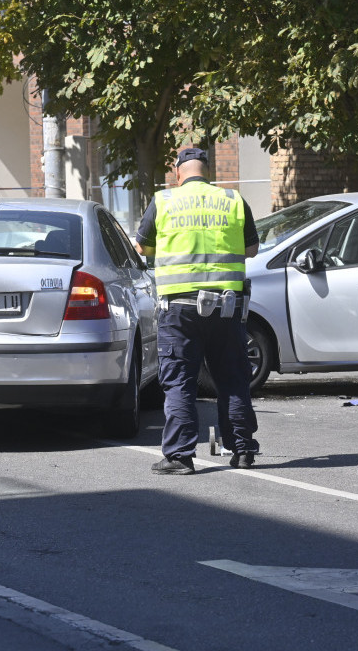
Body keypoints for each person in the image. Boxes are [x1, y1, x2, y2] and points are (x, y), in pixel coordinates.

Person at [135, 147, 260, 474]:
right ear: (208, 172)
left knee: (180, 381)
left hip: (179, 308)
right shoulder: (232, 200)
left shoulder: (163, 201)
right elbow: (251, 248)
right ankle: (242, 450)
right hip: (226, 307)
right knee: (232, 379)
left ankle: (180, 456)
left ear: (178, 173)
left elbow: (143, 246)